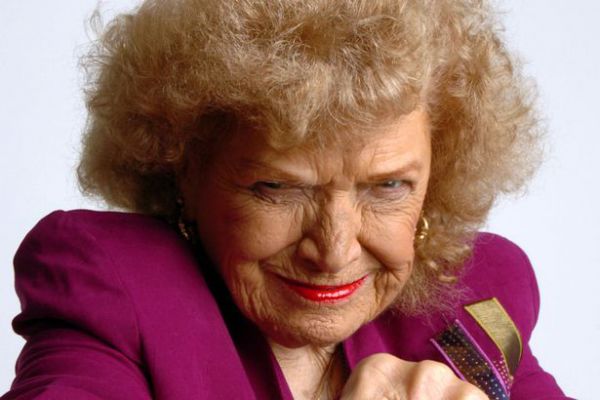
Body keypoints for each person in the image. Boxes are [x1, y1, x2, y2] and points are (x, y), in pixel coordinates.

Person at [1, 0, 572, 399]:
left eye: (388, 186)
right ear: (183, 171)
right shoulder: (112, 287)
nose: (334, 251)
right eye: (277, 188)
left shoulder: (479, 295)